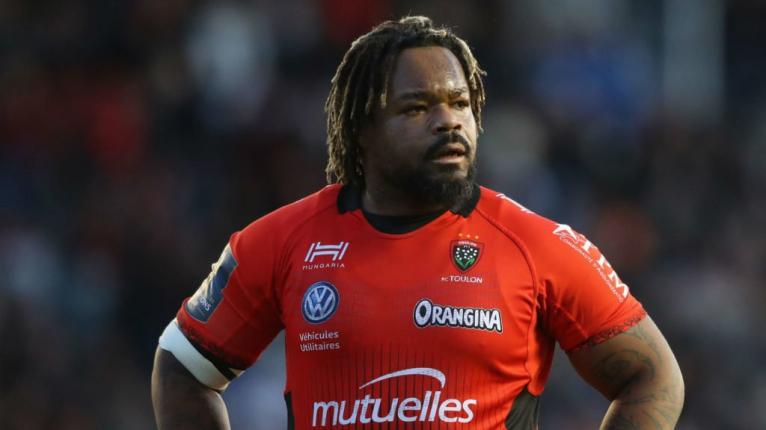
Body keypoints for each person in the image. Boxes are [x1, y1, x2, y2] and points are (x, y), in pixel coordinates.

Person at [151, 16, 684, 429]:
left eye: (460, 103)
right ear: (363, 128)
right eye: (416, 108)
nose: (448, 121)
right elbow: (181, 366)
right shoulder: (281, 242)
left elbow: (653, 377)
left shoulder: (538, 246)